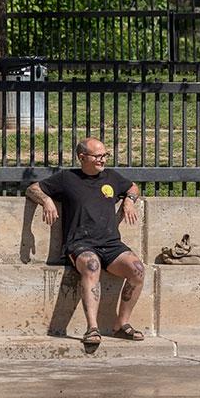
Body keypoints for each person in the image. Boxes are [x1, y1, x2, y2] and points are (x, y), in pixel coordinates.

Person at [25, 137, 147, 343]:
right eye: (98, 156)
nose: (103, 160)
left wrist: (129, 200)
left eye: (105, 155)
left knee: (138, 269)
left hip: (110, 243)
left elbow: (133, 187)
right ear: (82, 157)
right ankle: (92, 328)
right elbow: (32, 189)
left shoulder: (112, 177)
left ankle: (121, 324)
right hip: (80, 244)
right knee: (92, 265)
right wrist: (46, 200)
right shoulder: (67, 178)